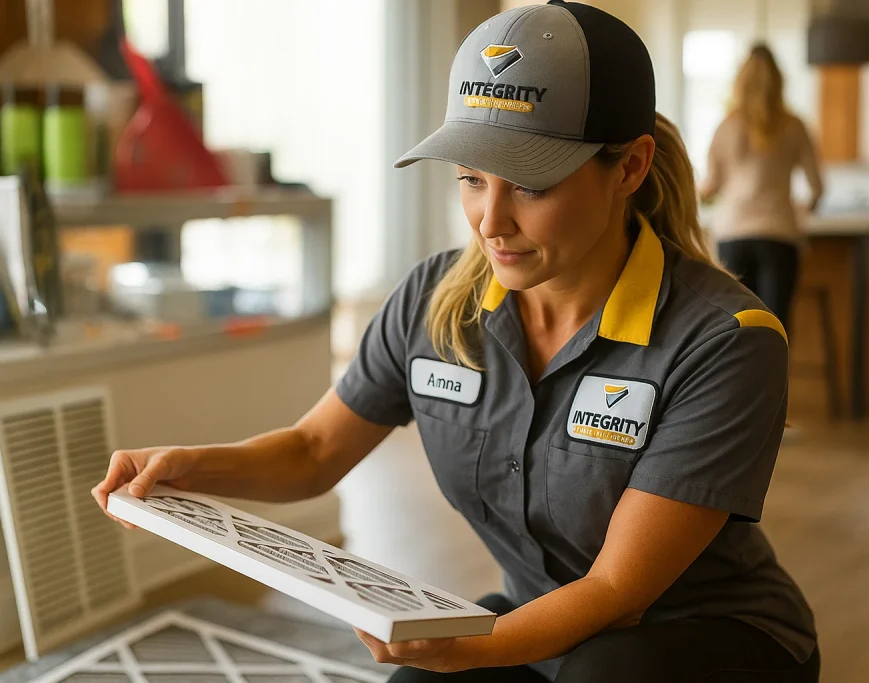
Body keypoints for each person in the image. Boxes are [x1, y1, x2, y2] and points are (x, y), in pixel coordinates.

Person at [93, 3, 820, 681]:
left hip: (709, 630)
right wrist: (188, 468)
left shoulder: (726, 340)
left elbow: (616, 591)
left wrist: (475, 647)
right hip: (544, 617)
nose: (490, 222)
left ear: (628, 167)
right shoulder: (433, 302)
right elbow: (313, 452)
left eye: (530, 186)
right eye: (472, 179)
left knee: (602, 674)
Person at [700, 43, 825, 332]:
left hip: (733, 235)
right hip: (779, 236)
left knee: (736, 329)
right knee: (775, 329)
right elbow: (817, 188)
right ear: (779, 81)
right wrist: (805, 209)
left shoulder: (726, 127)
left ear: (740, 81)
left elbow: (710, 188)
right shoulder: (795, 126)